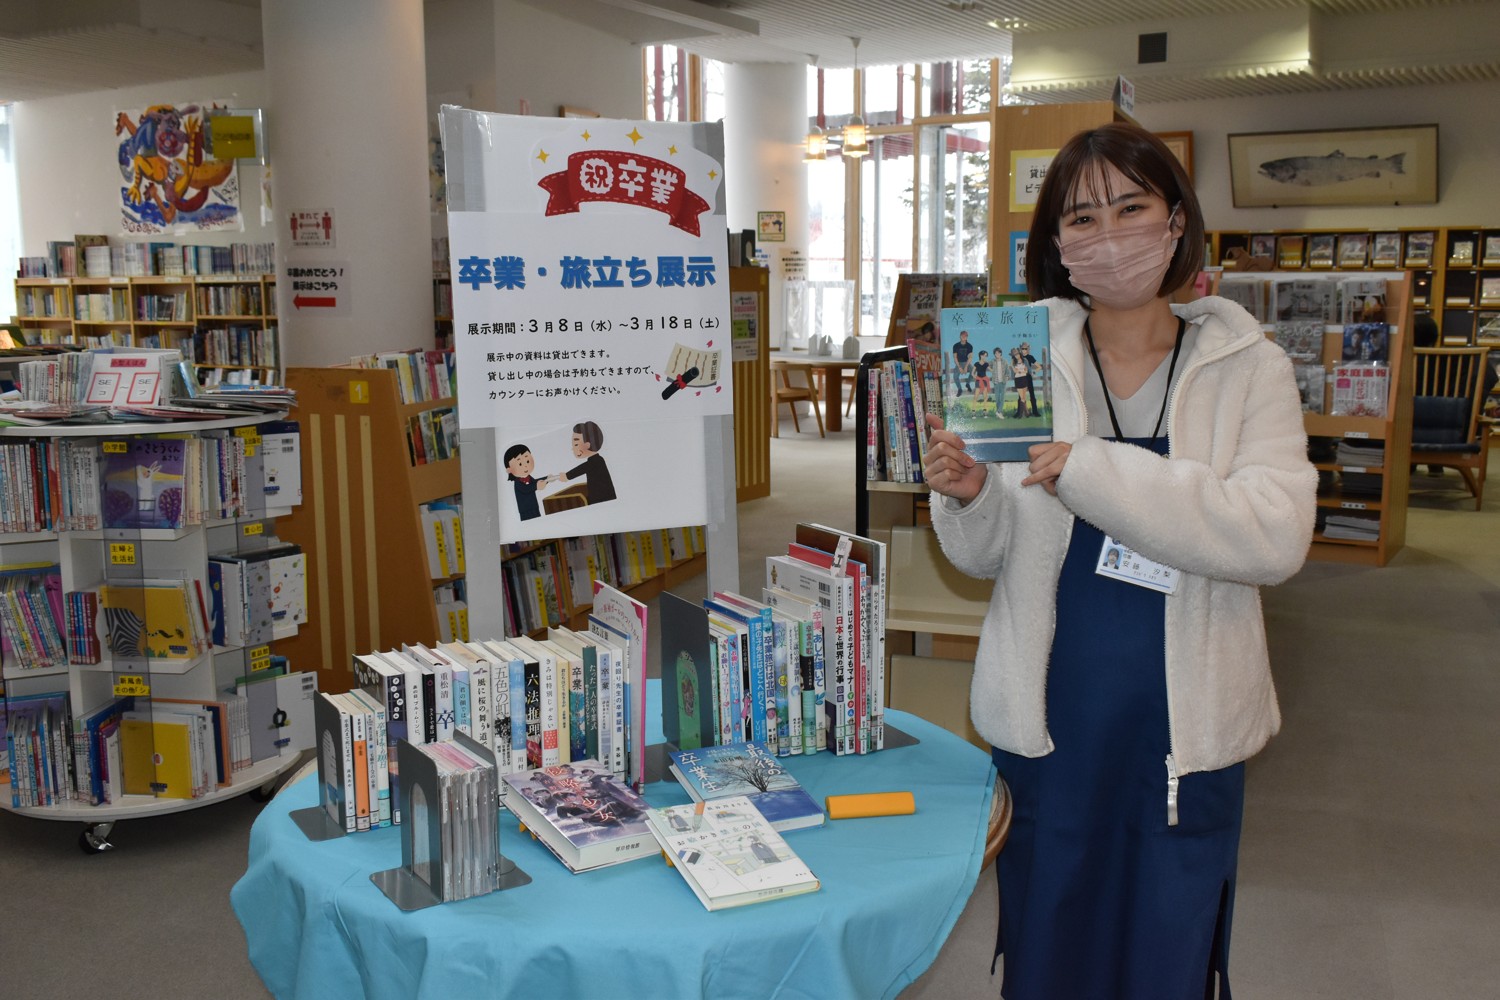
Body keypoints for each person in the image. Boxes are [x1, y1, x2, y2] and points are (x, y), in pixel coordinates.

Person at [920, 121, 1316, 1000]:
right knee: (1051, 926)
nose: (1108, 235)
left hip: (1187, 716)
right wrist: (971, 496)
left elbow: (1275, 534)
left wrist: (1093, 470)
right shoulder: (1011, 353)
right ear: (1055, 242)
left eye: (1131, 209)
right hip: (1054, 707)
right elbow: (985, 558)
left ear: (1176, 221)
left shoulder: (1248, 367)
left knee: (1167, 934)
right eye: (1081, 218)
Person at [553, 420, 616, 504]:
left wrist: (567, 476)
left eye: (576, 445)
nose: (572, 448)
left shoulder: (596, 461)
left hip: (603, 500)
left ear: (587, 445)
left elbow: (581, 469)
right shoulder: (596, 460)